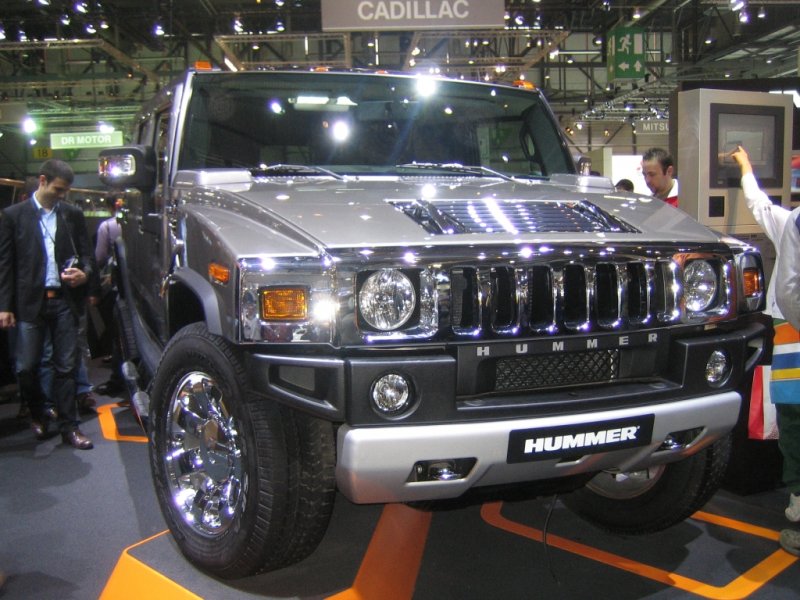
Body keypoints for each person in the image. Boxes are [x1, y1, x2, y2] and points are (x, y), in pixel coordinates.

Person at [731, 145, 800, 556]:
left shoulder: (794, 222)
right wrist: (745, 168)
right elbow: (760, 204)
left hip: (792, 337)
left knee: (792, 422)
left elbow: (789, 291)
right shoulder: (791, 220)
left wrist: (744, 167)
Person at [0, 159, 96, 449]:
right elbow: (6, 264)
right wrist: (5, 306)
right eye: (58, 189)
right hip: (30, 303)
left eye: (65, 190)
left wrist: (85, 274)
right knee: (26, 367)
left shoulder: (72, 215)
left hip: (65, 301)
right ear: (42, 181)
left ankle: (70, 427)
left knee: (66, 367)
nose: (62, 195)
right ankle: (38, 412)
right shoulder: (13, 216)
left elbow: (88, 256)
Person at [93, 196, 125, 397]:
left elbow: (99, 257)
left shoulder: (107, 226)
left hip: (117, 285)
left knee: (117, 335)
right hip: (142, 284)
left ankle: (116, 381)